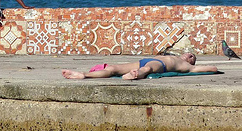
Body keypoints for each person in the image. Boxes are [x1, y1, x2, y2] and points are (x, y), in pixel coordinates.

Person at [62, 53, 218, 80]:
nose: (189, 56)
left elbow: (213, 69)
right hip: (143, 60)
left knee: (148, 69)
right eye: (189, 54)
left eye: (193, 58)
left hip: (159, 65)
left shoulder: (187, 67)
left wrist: (205, 67)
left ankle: (136, 75)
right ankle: (84, 75)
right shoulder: (173, 55)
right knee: (113, 69)